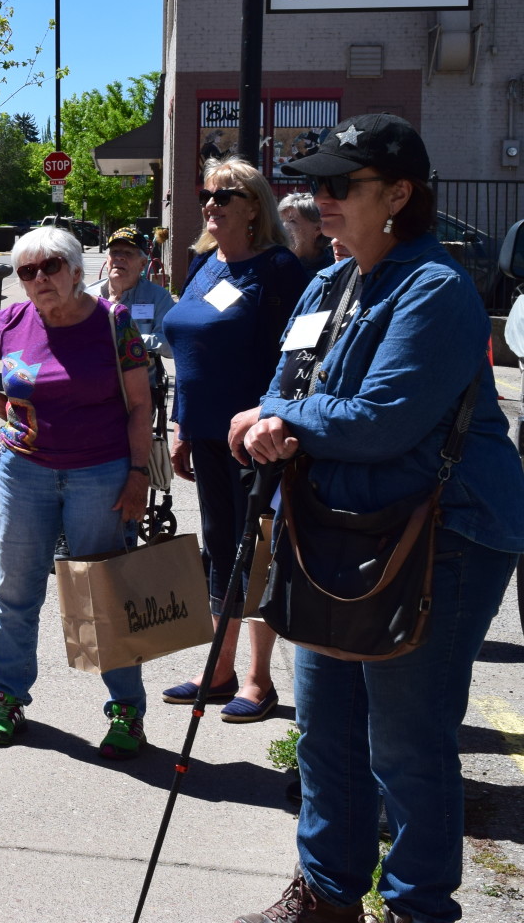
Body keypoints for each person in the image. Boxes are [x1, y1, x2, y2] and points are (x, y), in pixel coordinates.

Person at [228, 114, 524, 923]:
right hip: (336, 528)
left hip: (440, 534)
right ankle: (328, 894)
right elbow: (287, 383)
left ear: (398, 194)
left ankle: (417, 908)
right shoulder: (328, 282)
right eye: (315, 183)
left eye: (340, 184)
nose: (319, 197)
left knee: (405, 741)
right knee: (325, 729)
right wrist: (272, 416)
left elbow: (382, 419)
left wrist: (283, 421)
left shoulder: (435, 288)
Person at [0, 225, 156, 759]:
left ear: (77, 270)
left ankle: (126, 711)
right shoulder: (12, 320)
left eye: (50, 266)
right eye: (27, 271)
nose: (39, 278)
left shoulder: (113, 321)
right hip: (24, 473)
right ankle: (8, 699)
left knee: (101, 593)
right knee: (15, 593)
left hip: (100, 474)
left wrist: (138, 474)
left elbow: (139, 405)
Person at [160, 157, 306, 723]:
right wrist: (181, 426)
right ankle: (219, 669)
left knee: (257, 552)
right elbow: (189, 354)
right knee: (220, 550)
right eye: (207, 194)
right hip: (204, 434)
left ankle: (258, 679)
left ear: (253, 207)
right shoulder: (203, 263)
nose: (211, 204)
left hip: (256, 440)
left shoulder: (279, 269)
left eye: (225, 195)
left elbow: (297, 359)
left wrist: (275, 421)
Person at [94, 227, 175, 364]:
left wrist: (129, 341)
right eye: (114, 252)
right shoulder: (88, 294)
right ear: (107, 260)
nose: (119, 257)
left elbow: (171, 344)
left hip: (144, 375)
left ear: (142, 264)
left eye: (128, 253)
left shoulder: (158, 297)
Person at [278, 191, 334, 272]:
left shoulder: (334, 270)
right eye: (282, 221)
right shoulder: (273, 265)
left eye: (292, 221)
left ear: (318, 229)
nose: (284, 227)